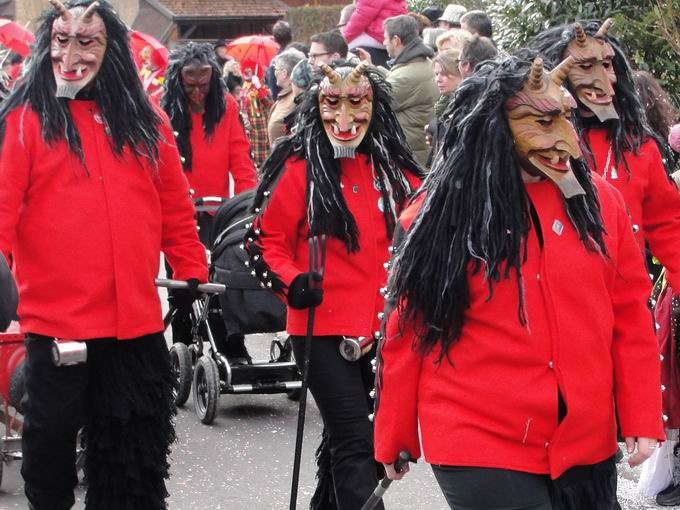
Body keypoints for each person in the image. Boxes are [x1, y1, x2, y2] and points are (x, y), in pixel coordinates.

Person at [374, 54, 664, 510]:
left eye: (565, 118)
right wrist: (394, 432)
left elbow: (630, 315)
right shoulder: (440, 210)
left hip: (584, 441)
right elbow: (409, 327)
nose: (567, 139)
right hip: (479, 436)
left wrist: (641, 414)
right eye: (542, 121)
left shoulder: (602, 204)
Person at [0, 1, 208, 509]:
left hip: (134, 324)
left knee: (133, 458)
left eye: (87, 41)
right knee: (49, 450)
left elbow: (174, 207)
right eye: (62, 41)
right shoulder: (26, 120)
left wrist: (191, 272)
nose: (71, 55)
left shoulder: (146, 119)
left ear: (110, 48)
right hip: (57, 322)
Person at [244, 60, 423, 510]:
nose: (344, 117)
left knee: (356, 440)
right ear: (316, 105)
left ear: (375, 106)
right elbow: (263, 243)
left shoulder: (394, 168)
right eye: (332, 102)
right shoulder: (299, 167)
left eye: (357, 102)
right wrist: (293, 282)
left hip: (384, 332)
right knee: (356, 441)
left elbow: (429, 225)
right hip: (320, 330)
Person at [532, 19, 680, 506]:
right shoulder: (526, 145)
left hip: (611, 330)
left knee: (594, 473)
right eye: (588, 65)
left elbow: (671, 229)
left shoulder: (638, 148)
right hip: (536, 339)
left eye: (609, 64)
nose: (606, 78)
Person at [382, 15, 439, 166]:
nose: (383, 43)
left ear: (396, 40)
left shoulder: (405, 77)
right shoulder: (421, 61)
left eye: (385, 38)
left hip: (411, 156)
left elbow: (379, 100)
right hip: (420, 151)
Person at [342, 0, 406, 68]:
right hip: (392, 35)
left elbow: (358, 23)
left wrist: (342, 40)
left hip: (380, 36)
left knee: (345, 48)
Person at [425, 49, 462, 164]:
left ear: (460, 72)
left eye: (444, 74)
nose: (438, 80)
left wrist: (434, 128)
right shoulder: (444, 102)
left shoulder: (464, 103)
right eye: (436, 74)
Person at [268, 48, 305, 144]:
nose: (274, 73)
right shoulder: (285, 95)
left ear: (284, 73)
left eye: (276, 70)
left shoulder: (296, 97)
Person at [239, 65, 273, 170]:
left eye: (249, 71)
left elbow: (269, 103)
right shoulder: (244, 87)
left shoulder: (263, 87)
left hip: (260, 130)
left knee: (263, 160)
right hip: (248, 129)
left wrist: (258, 86)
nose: (246, 73)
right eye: (245, 71)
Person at [264, 20, 293, 101]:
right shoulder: (302, 51)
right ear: (291, 35)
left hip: (285, 101)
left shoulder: (276, 61)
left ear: (275, 38)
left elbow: (274, 89)